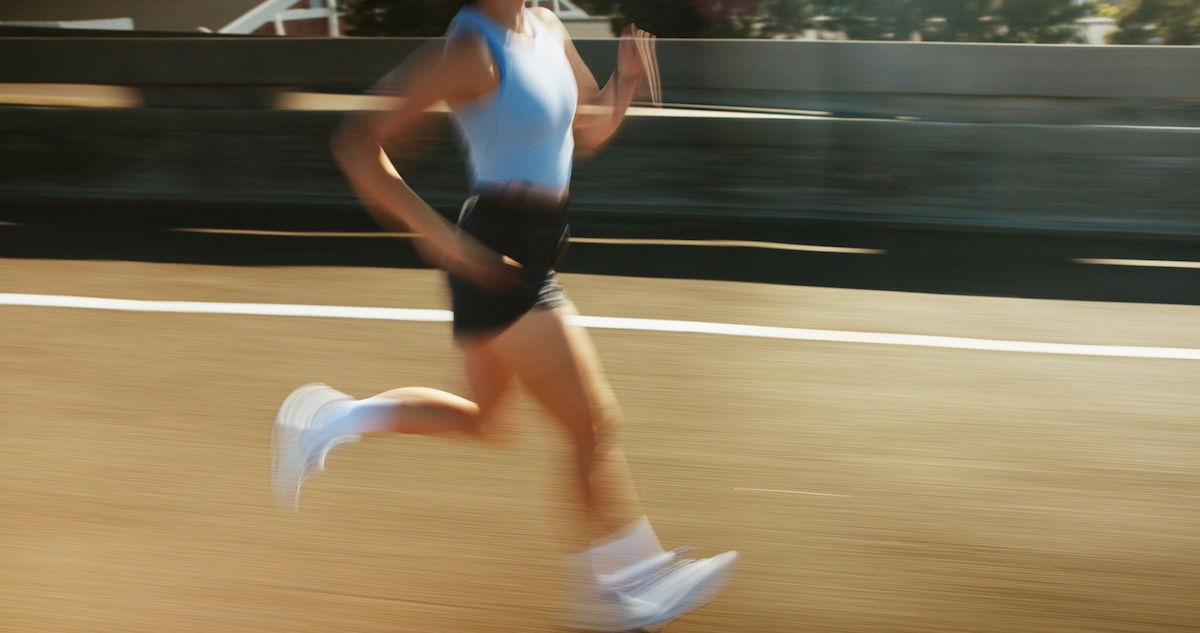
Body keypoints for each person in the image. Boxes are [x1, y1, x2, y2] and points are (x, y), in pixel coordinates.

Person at [270, 0, 737, 630]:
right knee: (592, 422)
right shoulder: (469, 51)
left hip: (538, 245)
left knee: (486, 419)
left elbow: (585, 132)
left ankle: (330, 419)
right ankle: (629, 576)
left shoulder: (546, 25)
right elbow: (357, 143)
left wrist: (623, 83)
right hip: (498, 253)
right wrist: (442, 242)